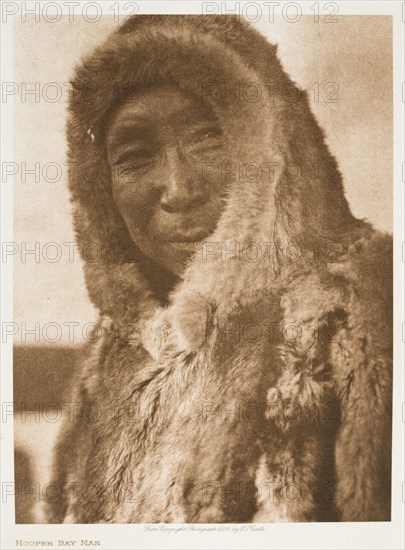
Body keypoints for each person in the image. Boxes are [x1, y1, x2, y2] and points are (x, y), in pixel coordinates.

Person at [47, 15, 392, 523]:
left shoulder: (370, 310)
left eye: (209, 136)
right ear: (101, 192)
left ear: (280, 149)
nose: (178, 189)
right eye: (135, 155)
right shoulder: (114, 350)